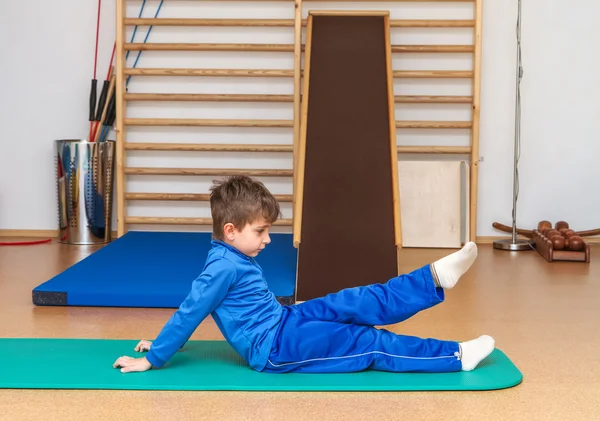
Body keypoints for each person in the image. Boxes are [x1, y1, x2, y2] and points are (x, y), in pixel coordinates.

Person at [113, 175, 495, 374]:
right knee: (366, 342)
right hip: (276, 349)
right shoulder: (221, 267)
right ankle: (456, 357)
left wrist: (162, 343)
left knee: (356, 299)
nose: (267, 240)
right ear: (231, 231)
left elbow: (198, 311)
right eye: (260, 231)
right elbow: (191, 311)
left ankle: (433, 278)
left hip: (286, 320)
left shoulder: (231, 257)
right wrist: (157, 356)